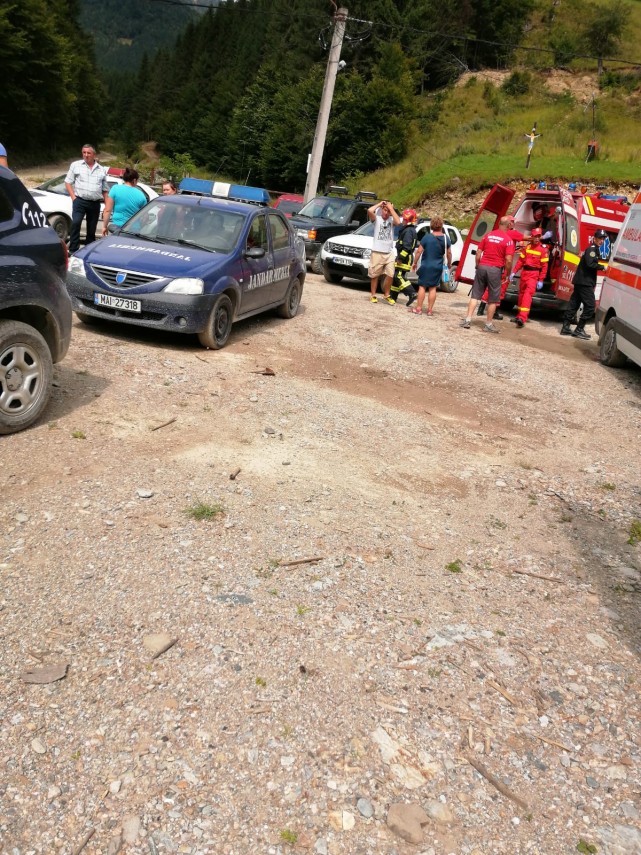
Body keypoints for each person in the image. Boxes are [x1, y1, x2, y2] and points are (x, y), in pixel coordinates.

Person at [460, 216, 514, 333]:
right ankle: (488, 324)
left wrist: (477, 265)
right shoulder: (508, 240)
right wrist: (507, 274)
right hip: (495, 269)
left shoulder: (488, 235)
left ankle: (467, 320)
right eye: (512, 224)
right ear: (508, 225)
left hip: (482, 266)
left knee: (475, 295)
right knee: (493, 299)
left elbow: (478, 252)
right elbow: (509, 260)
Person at [560, 229, 608, 340]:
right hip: (585, 283)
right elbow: (590, 264)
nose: (601, 241)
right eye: (600, 238)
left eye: (603, 239)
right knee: (591, 306)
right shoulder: (592, 249)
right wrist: (603, 267)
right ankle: (579, 329)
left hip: (581, 282)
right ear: (594, 238)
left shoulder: (594, 249)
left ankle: (565, 327)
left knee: (574, 304)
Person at [477, 215, 525, 318]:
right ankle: (494, 312)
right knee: (500, 289)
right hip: (502, 266)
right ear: (509, 223)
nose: (514, 223)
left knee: (490, 288)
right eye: (513, 222)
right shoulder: (512, 233)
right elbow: (526, 238)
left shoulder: (497, 233)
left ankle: (481, 308)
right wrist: (543, 237)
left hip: (492, 264)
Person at [65, 144, 109, 252]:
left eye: (88, 153)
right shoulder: (76, 165)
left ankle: (88, 250)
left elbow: (104, 189)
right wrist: (73, 198)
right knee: (76, 223)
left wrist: (107, 206)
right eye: (84, 152)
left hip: (94, 203)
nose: (86, 155)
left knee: (92, 228)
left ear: (94, 154)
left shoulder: (101, 169)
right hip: (79, 200)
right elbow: (68, 182)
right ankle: (73, 249)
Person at [410, 215, 451, 316]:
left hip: (426, 265)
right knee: (433, 287)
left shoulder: (427, 237)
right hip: (437, 266)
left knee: (422, 286)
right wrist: (449, 263)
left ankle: (418, 308)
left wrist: (414, 263)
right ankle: (429, 310)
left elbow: (419, 251)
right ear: (441, 225)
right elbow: (449, 253)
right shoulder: (446, 238)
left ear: (431, 225)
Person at [508, 227, 549, 327]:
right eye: (535, 236)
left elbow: (544, 267)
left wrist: (541, 280)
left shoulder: (543, 250)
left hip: (533, 275)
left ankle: (522, 318)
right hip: (524, 273)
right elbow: (520, 261)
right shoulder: (527, 248)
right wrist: (514, 272)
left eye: (538, 237)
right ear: (532, 237)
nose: (537, 239)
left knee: (527, 295)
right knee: (521, 295)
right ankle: (519, 316)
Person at [367, 199, 400, 304]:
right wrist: (380, 204)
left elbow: (398, 222)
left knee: (390, 274)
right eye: (385, 210)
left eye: (388, 211)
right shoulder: (377, 219)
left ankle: (386, 294)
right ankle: (373, 295)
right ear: (381, 210)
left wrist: (391, 208)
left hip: (389, 252)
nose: (386, 213)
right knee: (375, 275)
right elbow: (369, 210)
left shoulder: (391, 220)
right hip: (377, 251)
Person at [102, 167, 147, 235]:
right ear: (134, 180)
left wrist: (104, 227)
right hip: (134, 230)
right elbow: (145, 217)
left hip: (117, 227)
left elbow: (107, 210)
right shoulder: (141, 195)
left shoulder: (115, 189)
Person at [389, 208, 418, 306]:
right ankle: (393, 296)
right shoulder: (408, 230)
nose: (403, 220)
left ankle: (412, 293)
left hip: (404, 258)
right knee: (396, 277)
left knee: (398, 276)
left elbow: (407, 248)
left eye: (405, 219)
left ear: (408, 220)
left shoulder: (409, 231)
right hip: (404, 258)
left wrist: (400, 258)